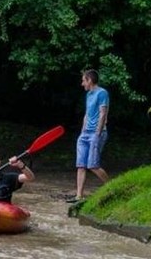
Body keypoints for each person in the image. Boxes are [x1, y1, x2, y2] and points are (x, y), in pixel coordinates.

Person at [67, 69, 110, 203]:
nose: (82, 83)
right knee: (81, 165)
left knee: (93, 165)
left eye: (83, 80)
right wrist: (82, 132)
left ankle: (112, 187)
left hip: (97, 133)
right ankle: (79, 196)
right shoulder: (89, 95)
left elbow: (103, 113)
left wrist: (97, 133)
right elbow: (87, 114)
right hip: (85, 134)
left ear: (89, 80)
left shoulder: (102, 93)